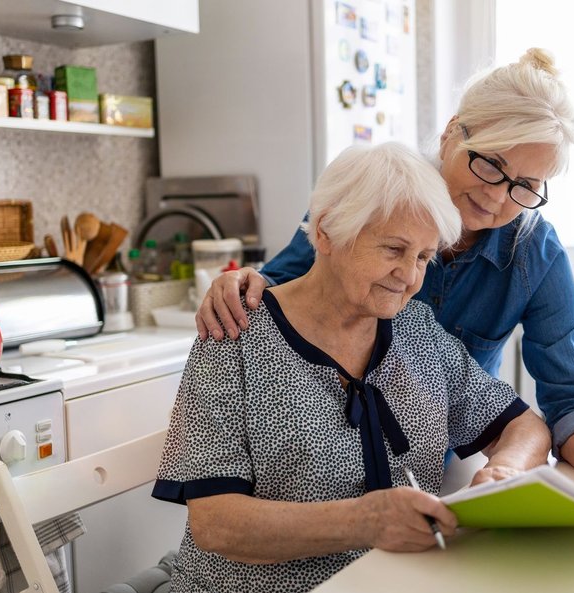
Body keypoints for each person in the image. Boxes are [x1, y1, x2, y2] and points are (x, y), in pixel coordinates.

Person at [195, 48, 574, 491]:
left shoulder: (536, 253)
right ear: (452, 133)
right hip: (321, 470)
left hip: (437, 468)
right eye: (490, 164)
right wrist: (240, 283)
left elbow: (572, 395)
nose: (495, 196)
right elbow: (281, 291)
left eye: (525, 185)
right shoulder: (372, 197)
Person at [153, 142, 551, 593]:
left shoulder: (415, 330)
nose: (409, 277)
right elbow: (216, 524)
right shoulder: (235, 335)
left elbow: (524, 425)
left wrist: (507, 471)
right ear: (325, 232)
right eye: (393, 249)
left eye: (423, 257)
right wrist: (365, 522)